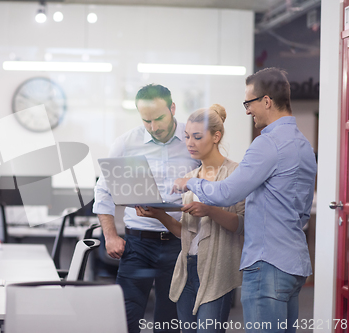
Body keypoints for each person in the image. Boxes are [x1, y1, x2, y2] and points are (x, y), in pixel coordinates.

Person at [174, 68, 317, 333]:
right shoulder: (304, 147)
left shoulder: (267, 144)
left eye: (248, 103)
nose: (247, 110)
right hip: (295, 266)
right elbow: (302, 214)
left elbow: (227, 192)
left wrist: (189, 182)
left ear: (266, 101)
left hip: (267, 266)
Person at [93, 84, 200, 333]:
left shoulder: (192, 140)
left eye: (159, 118)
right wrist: (110, 236)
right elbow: (103, 192)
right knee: (126, 318)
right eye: (146, 120)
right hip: (137, 243)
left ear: (172, 108)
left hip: (178, 243)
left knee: (169, 323)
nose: (153, 127)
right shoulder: (126, 143)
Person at [136, 104, 245, 333]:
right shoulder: (190, 178)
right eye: (187, 137)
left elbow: (241, 225)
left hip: (217, 270)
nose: (190, 143)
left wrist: (209, 210)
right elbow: (183, 233)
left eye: (197, 137)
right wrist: (159, 214)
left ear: (216, 136)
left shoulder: (236, 174)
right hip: (187, 268)